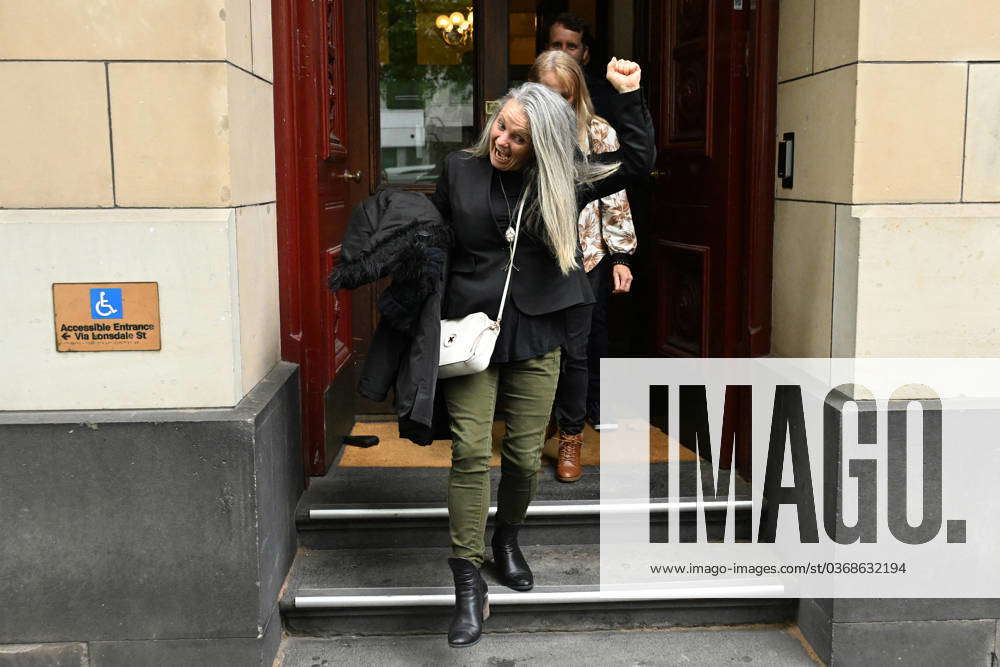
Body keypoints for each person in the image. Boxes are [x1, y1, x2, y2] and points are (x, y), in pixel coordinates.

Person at [430, 57, 654, 648]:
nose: (502, 141)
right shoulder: (458, 169)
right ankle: (468, 580)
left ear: (542, 144)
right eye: (501, 127)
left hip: (539, 327)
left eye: (518, 137)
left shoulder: (565, 180)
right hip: (474, 330)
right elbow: (438, 247)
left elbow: (637, 163)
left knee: (526, 458)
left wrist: (627, 98)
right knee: (472, 451)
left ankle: (506, 538)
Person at [528, 50, 637, 483]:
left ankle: (571, 436)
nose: (557, 105)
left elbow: (615, 195)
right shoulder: (522, 130)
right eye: (548, 96)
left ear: (577, 95)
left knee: (576, 350)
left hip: (585, 256)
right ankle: (542, 422)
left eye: (565, 97)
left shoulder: (598, 133)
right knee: (536, 349)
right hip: (535, 257)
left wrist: (621, 254)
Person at [545, 12, 616, 122]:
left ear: (584, 53)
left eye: (571, 47)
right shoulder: (535, 89)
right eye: (556, 45)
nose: (562, 52)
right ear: (547, 49)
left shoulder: (603, 97)